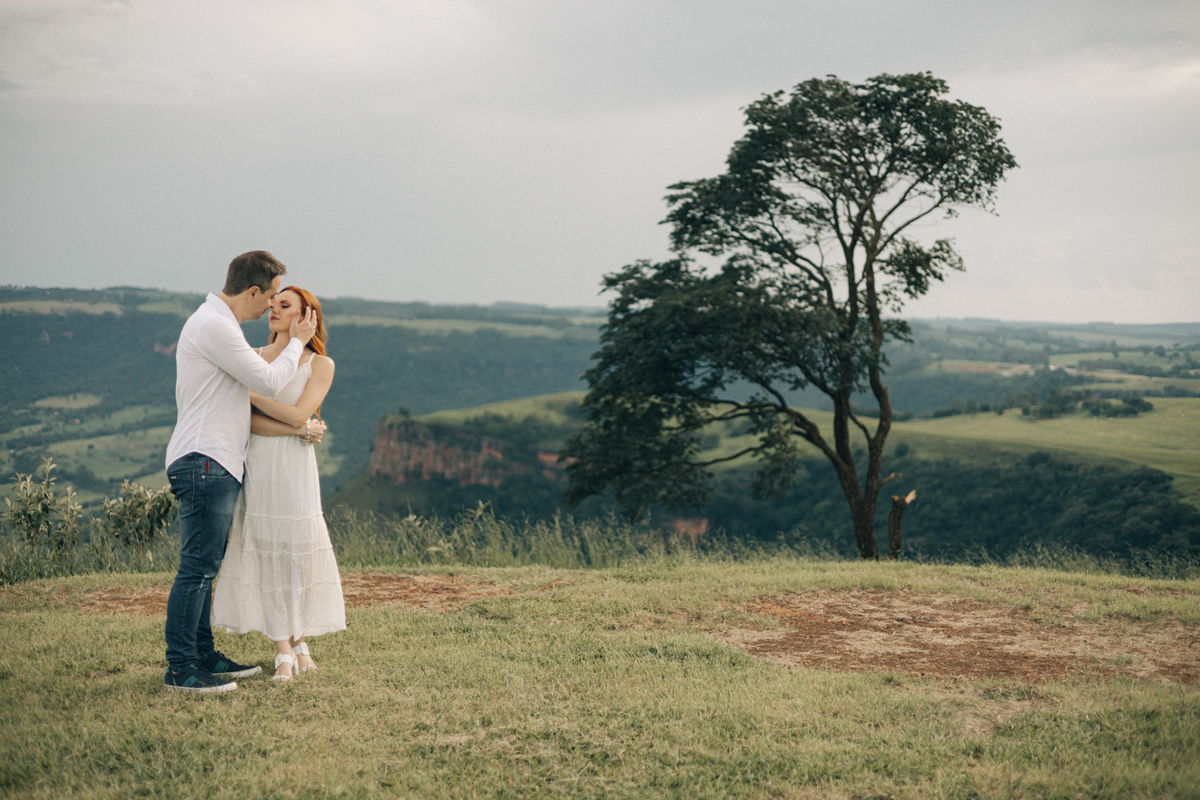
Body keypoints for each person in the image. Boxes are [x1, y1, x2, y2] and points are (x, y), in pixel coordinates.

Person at [163, 251, 318, 694]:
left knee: (205, 567)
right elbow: (268, 382)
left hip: (214, 459)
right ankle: (181, 668)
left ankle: (204, 654)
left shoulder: (217, 324)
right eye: (268, 296)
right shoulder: (215, 326)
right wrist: (296, 341)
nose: (269, 306)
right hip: (204, 459)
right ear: (252, 290)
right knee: (197, 569)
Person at [211, 286, 346, 681]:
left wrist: (255, 397)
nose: (273, 310)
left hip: (296, 469)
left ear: (307, 317)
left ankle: (300, 637)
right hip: (260, 463)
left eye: (284, 306)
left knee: (298, 550)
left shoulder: (320, 364)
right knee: (267, 547)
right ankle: (283, 650)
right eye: (272, 305)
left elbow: (302, 411)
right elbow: (245, 420)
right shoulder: (252, 358)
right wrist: (297, 427)